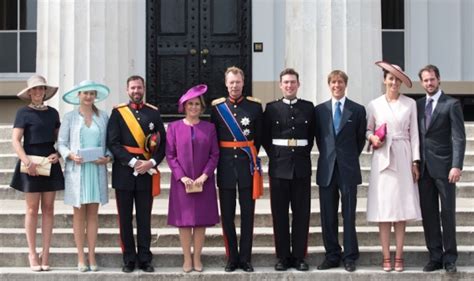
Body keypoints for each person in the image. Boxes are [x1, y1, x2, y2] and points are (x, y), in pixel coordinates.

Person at [107, 75, 166, 273]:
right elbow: (113, 143)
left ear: (144, 89)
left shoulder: (154, 113)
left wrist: (150, 162)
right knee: (124, 219)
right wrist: (133, 162)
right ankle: (129, 259)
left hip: (146, 173)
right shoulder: (118, 113)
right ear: (127, 90)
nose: (136, 91)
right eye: (133, 88)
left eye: (139, 88)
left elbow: (162, 145)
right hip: (124, 172)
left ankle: (145, 258)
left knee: (144, 219)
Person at [366, 61, 421, 272]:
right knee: (384, 210)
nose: (394, 82)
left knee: (400, 209)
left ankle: (399, 255)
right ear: (384, 79)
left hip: (403, 153)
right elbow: (367, 130)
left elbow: (414, 134)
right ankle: (385, 256)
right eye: (390, 78)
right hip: (382, 158)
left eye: (397, 79)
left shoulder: (410, 104)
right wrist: (372, 137)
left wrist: (415, 161)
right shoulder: (374, 104)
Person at [211, 66, 263, 272]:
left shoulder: (254, 107)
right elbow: (213, 138)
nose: (234, 86)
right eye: (231, 82)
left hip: (246, 168)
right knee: (228, 215)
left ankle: (246, 258)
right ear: (226, 84)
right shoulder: (217, 108)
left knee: (248, 216)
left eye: (238, 82)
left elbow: (258, 138)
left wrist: (250, 155)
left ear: (243, 83)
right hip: (225, 168)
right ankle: (232, 257)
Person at [10, 75, 64, 271]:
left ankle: (46, 252)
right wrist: (27, 161)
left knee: (49, 209)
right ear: (30, 92)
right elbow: (16, 140)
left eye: (42, 89)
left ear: (45, 92)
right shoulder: (22, 113)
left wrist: (58, 154)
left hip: (50, 163)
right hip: (30, 163)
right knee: (32, 210)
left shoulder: (53, 113)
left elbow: (61, 140)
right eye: (35, 89)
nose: (39, 92)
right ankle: (32, 253)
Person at [262, 68, 315, 271]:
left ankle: (299, 256)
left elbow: (310, 138)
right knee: (280, 214)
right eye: (286, 82)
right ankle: (283, 257)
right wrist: (276, 155)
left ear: (298, 84)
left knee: (302, 213)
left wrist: (299, 154)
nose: (289, 85)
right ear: (280, 85)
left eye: (293, 82)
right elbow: (266, 138)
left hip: (301, 167)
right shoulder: (272, 108)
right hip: (279, 167)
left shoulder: (308, 108)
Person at [314, 70, 367, 272]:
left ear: (346, 84)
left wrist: (346, 156)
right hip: (327, 169)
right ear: (329, 85)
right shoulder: (320, 110)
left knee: (349, 214)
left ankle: (350, 256)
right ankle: (332, 255)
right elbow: (320, 139)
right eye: (333, 82)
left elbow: (360, 139)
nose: (337, 86)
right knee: (328, 215)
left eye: (340, 82)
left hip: (348, 168)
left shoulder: (357, 110)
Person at [58, 80, 112, 272]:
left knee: (93, 215)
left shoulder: (103, 117)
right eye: (85, 93)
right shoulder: (70, 117)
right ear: (78, 96)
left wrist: (108, 158)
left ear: (95, 96)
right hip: (78, 171)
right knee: (79, 215)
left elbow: (110, 144)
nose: (88, 96)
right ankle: (81, 257)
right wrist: (70, 155)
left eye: (91, 93)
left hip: (96, 170)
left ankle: (92, 255)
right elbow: (61, 143)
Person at [416, 65, 466, 273]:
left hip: (446, 168)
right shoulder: (417, 105)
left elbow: (458, 137)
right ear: (422, 82)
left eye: (432, 79)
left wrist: (456, 165)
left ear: (439, 79)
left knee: (447, 214)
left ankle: (450, 258)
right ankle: (435, 256)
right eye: (426, 80)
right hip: (424, 169)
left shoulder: (451, 104)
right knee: (428, 215)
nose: (429, 83)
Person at [166, 84, 219, 273]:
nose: (194, 107)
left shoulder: (210, 128)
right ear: (184, 107)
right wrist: (182, 177)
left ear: (202, 107)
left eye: (197, 104)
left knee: (201, 221)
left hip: (204, 182)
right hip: (183, 183)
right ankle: (186, 258)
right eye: (190, 104)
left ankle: (197, 257)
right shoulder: (173, 128)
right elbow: (170, 155)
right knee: (185, 222)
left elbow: (215, 155)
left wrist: (205, 176)